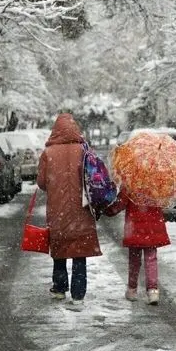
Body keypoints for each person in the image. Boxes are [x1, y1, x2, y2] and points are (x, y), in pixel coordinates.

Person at [37, 113, 102, 306]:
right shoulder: (84, 150)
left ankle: (59, 288)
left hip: (57, 211)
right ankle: (78, 294)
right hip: (82, 208)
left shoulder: (48, 153)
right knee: (79, 251)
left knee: (60, 248)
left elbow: (41, 183)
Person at [104, 186, 170, 305]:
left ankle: (132, 290)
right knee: (151, 259)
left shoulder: (131, 184)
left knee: (134, 260)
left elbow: (119, 204)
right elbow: (165, 202)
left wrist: (107, 210)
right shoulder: (157, 183)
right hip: (152, 228)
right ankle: (153, 290)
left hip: (134, 228)